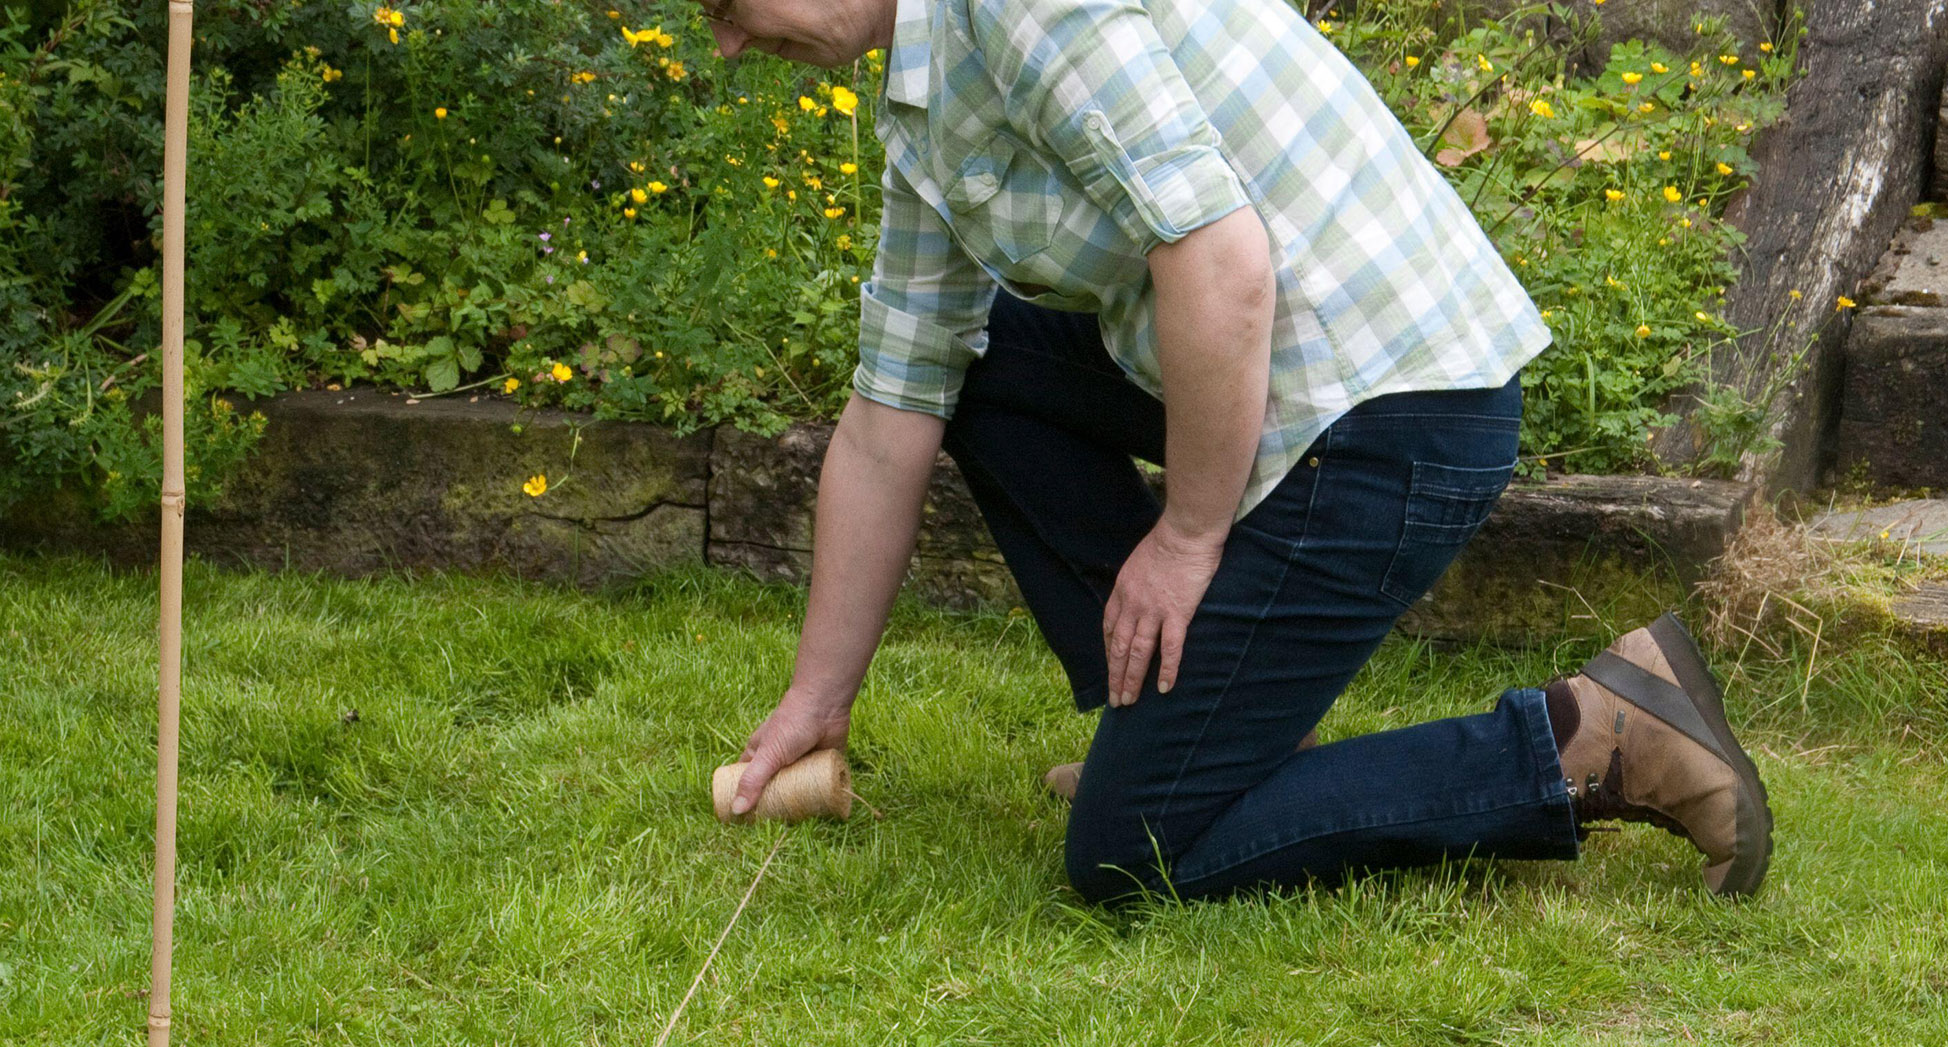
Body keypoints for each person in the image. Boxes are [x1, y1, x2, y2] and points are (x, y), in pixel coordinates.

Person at [706, 0, 1772, 900]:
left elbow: (1222, 259)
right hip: (1304, 383)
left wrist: (1186, 535)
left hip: (1397, 404)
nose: (725, 44)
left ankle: (1596, 734)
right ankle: (1206, 727)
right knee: (979, 364)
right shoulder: (928, 107)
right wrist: (817, 700)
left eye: (721, 1)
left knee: (1133, 851)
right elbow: (893, 405)